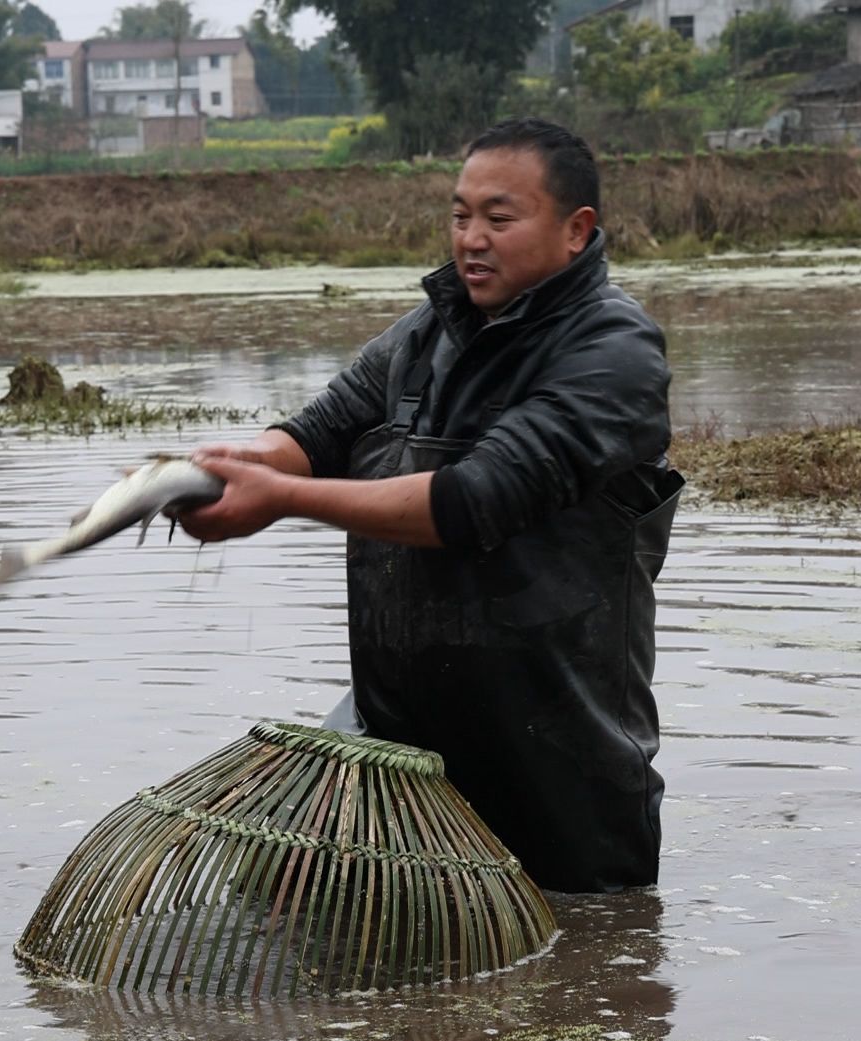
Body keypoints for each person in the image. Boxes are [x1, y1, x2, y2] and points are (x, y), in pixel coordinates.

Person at [178, 118, 681, 893]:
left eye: (498, 218)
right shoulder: (422, 337)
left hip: (556, 771)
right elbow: (314, 435)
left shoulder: (615, 352)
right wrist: (217, 471)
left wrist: (280, 499)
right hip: (405, 765)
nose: (470, 238)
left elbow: (474, 501)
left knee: (580, 974)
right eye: (459, 214)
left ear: (576, 230)